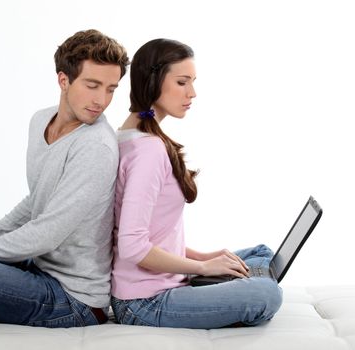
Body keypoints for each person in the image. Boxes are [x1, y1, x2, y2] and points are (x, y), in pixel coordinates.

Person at [0, 29, 129, 330]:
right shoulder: (41, 120)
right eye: (92, 85)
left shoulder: (96, 146)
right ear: (63, 80)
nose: (101, 100)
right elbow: (36, 201)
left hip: (75, 300)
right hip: (38, 267)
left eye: (111, 89)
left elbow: (47, 234)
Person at [110, 38, 283, 329]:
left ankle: (229, 280)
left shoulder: (128, 136)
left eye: (193, 82)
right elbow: (132, 247)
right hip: (145, 301)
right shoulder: (148, 150)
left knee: (262, 254)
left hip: (163, 280)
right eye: (182, 82)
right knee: (266, 294)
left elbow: (153, 233)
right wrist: (202, 267)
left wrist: (204, 256)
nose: (192, 92)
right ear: (153, 82)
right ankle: (232, 285)